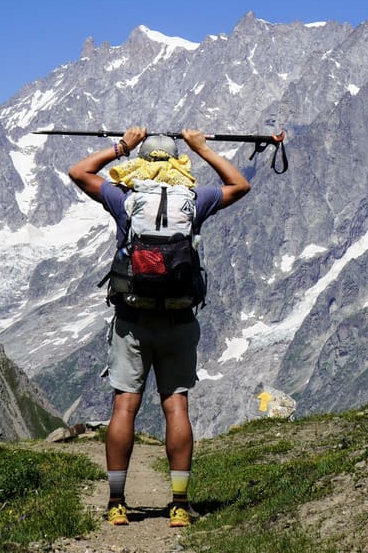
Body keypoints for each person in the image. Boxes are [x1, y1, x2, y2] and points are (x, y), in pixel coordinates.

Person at [69, 126, 251, 528]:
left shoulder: (125, 197)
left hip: (133, 320)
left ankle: (117, 503)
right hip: (179, 319)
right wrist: (202, 149)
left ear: (142, 162)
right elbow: (239, 184)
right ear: (177, 163)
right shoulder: (196, 199)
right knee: (176, 405)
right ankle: (180, 505)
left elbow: (79, 172)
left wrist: (123, 146)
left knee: (125, 405)